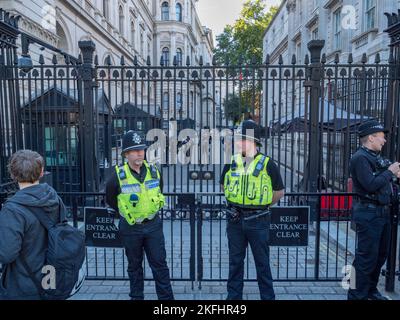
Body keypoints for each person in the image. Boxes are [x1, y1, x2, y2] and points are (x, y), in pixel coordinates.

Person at [220, 120, 285, 300]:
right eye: (238, 139)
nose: (239, 143)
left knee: (262, 264)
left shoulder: (267, 164)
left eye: (243, 139)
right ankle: (233, 300)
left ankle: (267, 297)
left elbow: (279, 191)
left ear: (254, 141)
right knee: (235, 263)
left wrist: (261, 204)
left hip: (258, 220)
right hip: (235, 220)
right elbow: (222, 185)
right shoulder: (232, 161)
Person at [106, 130, 174, 300]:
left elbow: (160, 191)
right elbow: (111, 199)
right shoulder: (117, 176)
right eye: (135, 150)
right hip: (130, 228)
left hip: (153, 226)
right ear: (126, 154)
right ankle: (137, 297)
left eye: (142, 149)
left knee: (160, 265)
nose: (139, 153)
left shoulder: (154, 171)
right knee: (134, 267)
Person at [0, 150, 64, 300]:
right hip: (50, 275)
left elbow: (7, 253)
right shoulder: (53, 197)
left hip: (23, 283)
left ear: (13, 174)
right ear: (41, 172)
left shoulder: (12, 210)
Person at [347, 120, 400, 300]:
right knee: (365, 258)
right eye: (381, 137)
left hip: (382, 213)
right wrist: (390, 172)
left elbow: (386, 180)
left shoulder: (376, 157)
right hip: (368, 213)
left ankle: (370, 291)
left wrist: (394, 175)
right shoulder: (360, 158)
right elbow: (370, 185)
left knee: (379, 256)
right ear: (371, 138)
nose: (384, 141)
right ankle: (355, 294)